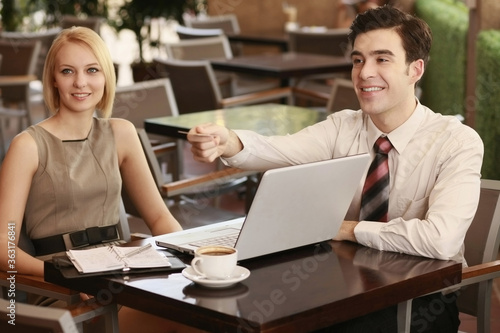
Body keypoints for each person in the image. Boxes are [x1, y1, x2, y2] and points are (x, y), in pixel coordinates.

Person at [185, 5, 483, 332]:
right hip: (344, 289)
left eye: (382, 59)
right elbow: (276, 149)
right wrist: (228, 141)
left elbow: (440, 240)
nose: (365, 72)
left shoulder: (457, 142)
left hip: (420, 300)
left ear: (415, 70)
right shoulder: (342, 127)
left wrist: (346, 229)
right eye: (358, 60)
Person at [0, 27, 202, 332]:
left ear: (106, 76)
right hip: (65, 293)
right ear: (54, 79)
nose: (80, 82)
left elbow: (160, 217)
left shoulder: (121, 133)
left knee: (204, 309)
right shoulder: (27, 146)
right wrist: (62, 274)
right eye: (68, 71)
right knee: (189, 322)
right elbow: (4, 245)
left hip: (125, 277)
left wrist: (192, 259)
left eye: (92, 70)